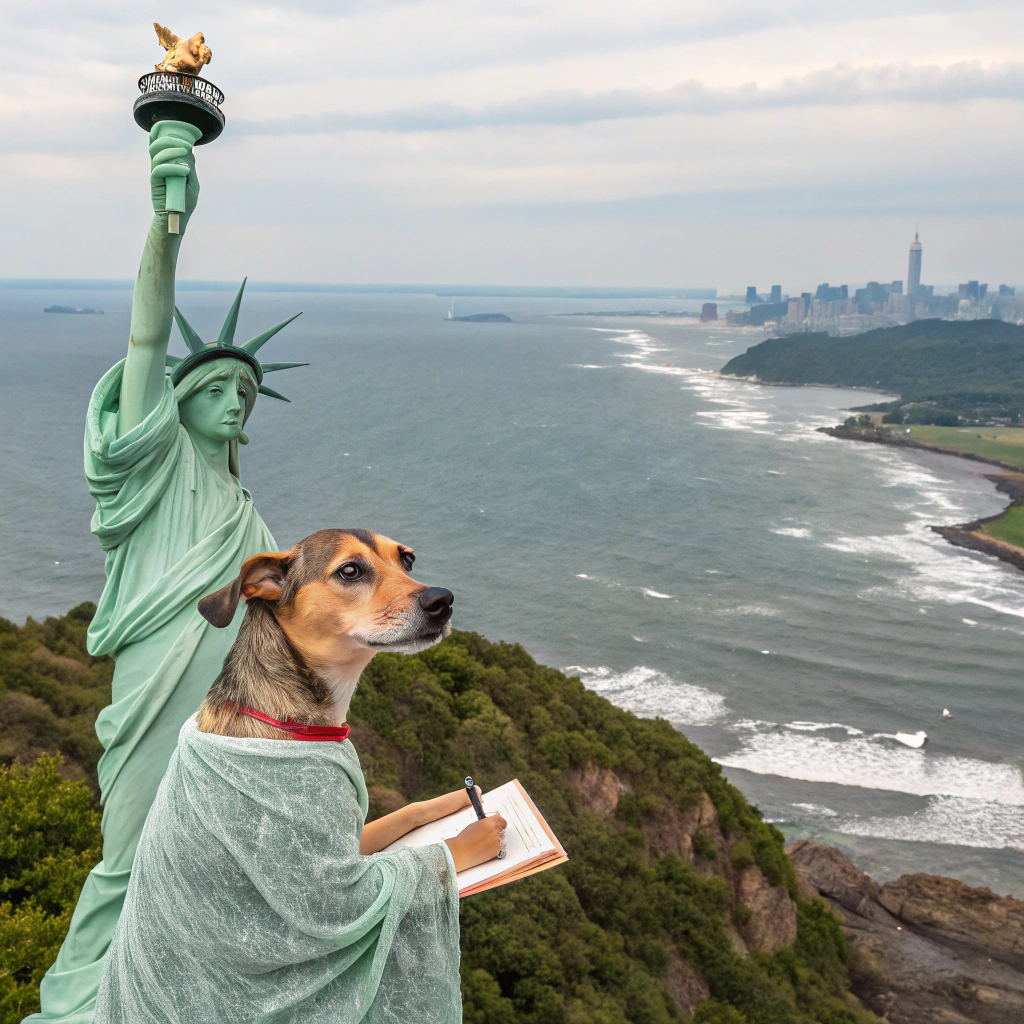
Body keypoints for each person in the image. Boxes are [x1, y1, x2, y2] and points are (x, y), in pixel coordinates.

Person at [26, 120, 304, 1024]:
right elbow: (149, 337)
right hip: (153, 689)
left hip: (230, 701)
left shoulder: (246, 514)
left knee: (202, 858)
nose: (233, 400)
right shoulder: (154, 469)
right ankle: (74, 1004)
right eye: (217, 389)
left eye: (246, 396)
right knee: (128, 852)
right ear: (179, 406)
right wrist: (168, 213)